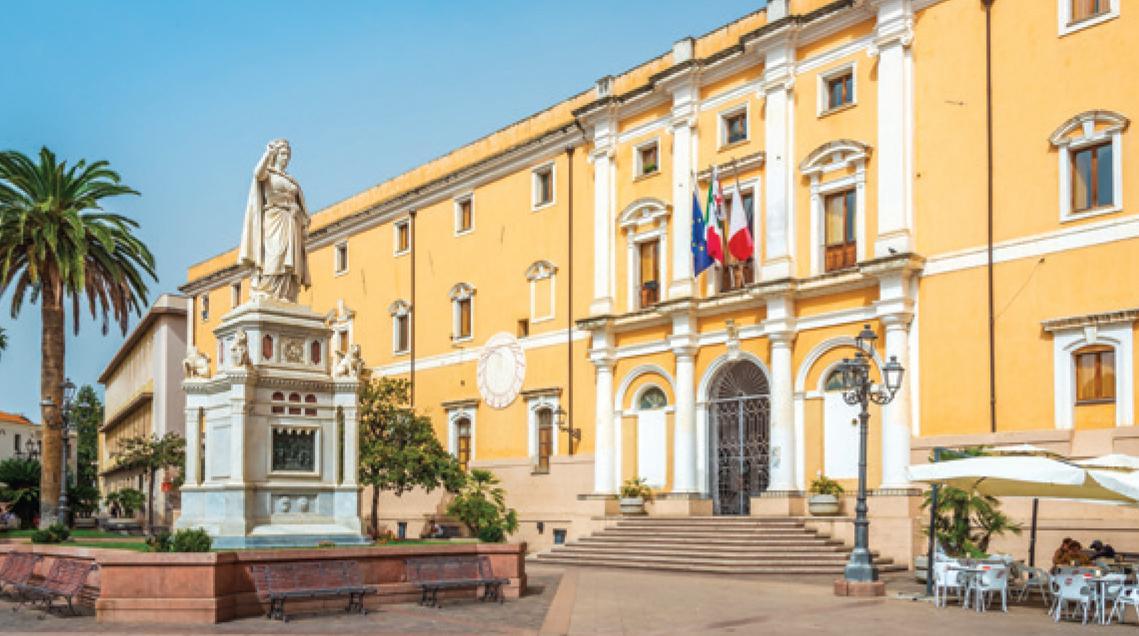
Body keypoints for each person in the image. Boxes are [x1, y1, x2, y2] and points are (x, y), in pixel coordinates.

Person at [238, 138, 311, 302]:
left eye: (288, 154)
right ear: (276, 155)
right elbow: (257, 173)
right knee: (275, 254)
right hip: (274, 218)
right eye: (283, 153)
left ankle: (285, 293)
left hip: (292, 220)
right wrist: (267, 154)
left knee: (289, 258)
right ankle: (268, 289)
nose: (286, 157)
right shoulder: (268, 174)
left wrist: (301, 216)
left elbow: (301, 202)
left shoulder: (291, 179)